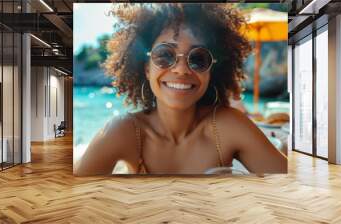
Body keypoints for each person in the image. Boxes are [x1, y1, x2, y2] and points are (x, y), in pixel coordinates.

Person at [74, 3, 287, 175]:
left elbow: (290, 188)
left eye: (198, 58)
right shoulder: (122, 132)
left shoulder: (229, 126)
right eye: (165, 55)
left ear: (212, 70)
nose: (181, 69)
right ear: (147, 68)